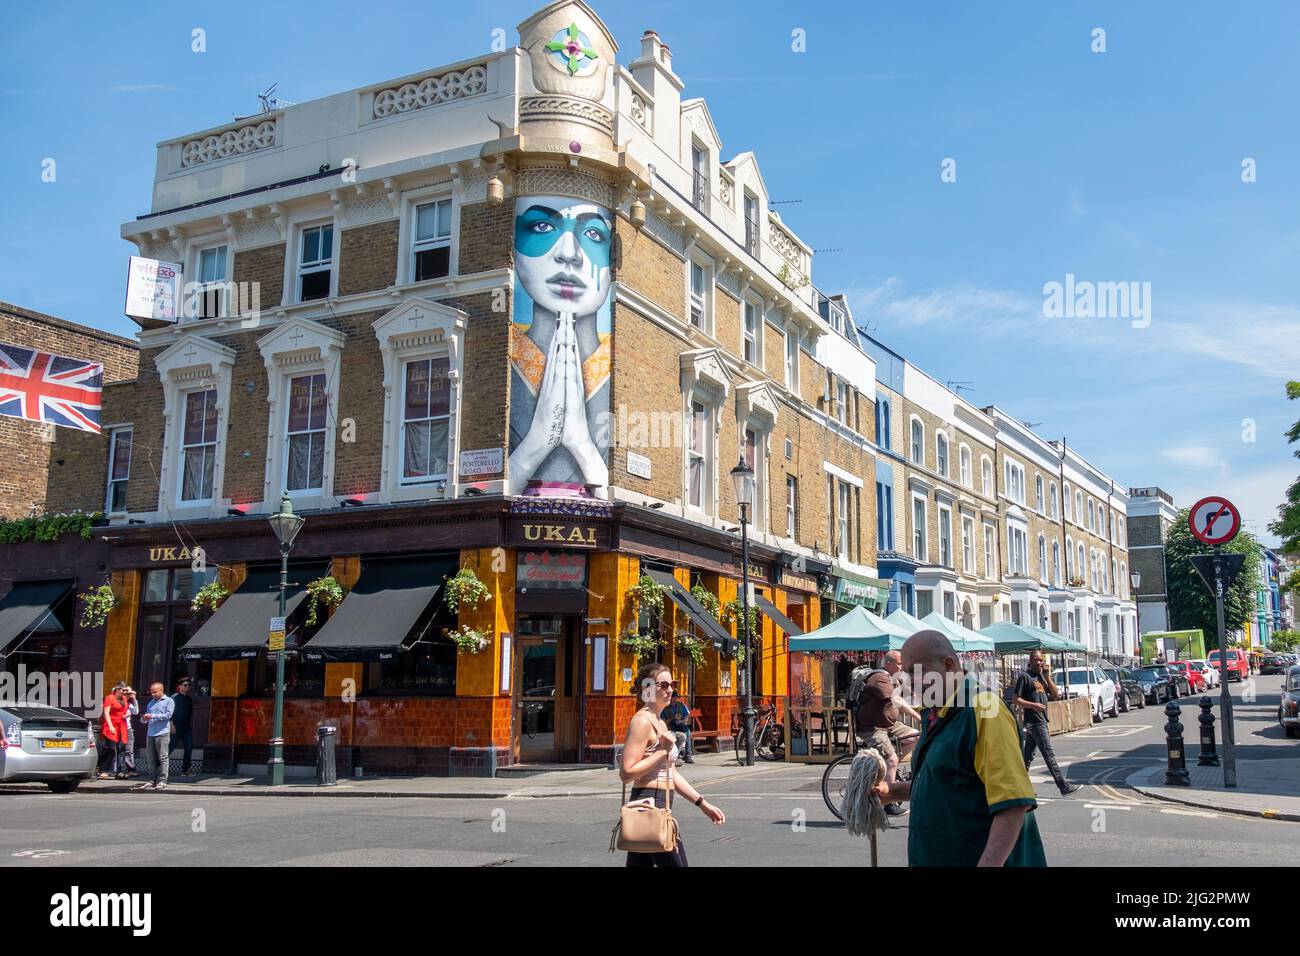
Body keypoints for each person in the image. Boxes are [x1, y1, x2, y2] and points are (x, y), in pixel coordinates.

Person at [876, 630, 1047, 867]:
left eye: (916, 671)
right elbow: (949, 784)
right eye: (905, 672)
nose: (908, 681)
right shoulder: (936, 713)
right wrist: (894, 791)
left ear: (947, 665)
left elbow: (1014, 804)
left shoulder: (985, 710)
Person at [620, 662, 725, 866]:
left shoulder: (659, 722)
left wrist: (702, 804)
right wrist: (661, 752)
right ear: (647, 688)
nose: (670, 690)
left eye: (672, 684)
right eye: (664, 685)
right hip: (649, 806)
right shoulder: (641, 721)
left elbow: (672, 774)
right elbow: (626, 772)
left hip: (660, 805)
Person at [854, 652, 914, 816]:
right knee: (892, 759)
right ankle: (889, 801)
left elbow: (909, 693)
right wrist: (919, 716)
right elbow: (897, 701)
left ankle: (887, 768)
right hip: (873, 728)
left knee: (916, 735)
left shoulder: (892, 677)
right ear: (888, 663)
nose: (902, 667)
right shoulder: (879, 678)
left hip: (889, 725)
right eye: (900, 663)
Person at [1014, 651, 1081, 796]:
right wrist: (1033, 706)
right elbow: (1016, 699)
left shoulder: (1042, 677)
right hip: (1035, 722)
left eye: (1041, 660)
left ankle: (1022, 789)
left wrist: (1047, 676)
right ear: (1030, 661)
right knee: (1049, 755)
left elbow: (1055, 694)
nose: (1039, 662)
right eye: (1036, 660)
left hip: (1040, 721)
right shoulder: (1024, 677)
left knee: (1027, 758)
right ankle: (1063, 786)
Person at [137, 682, 175, 791]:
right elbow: (147, 717)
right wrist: (143, 719)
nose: (152, 694)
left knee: (162, 757)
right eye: (151, 692)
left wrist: (153, 715)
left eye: (155, 692)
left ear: (161, 691)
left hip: (162, 733)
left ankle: (163, 780)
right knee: (151, 758)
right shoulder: (151, 703)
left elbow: (168, 715)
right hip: (150, 733)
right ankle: (151, 779)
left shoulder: (169, 701)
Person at [96, 683, 129, 780]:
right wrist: (110, 726)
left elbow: (126, 709)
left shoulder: (124, 699)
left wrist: (127, 714)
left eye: (125, 690)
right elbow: (106, 713)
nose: (125, 692)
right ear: (117, 689)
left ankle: (119, 771)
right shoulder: (110, 698)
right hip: (111, 725)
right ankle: (100, 767)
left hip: (121, 725)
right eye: (123, 690)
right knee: (110, 748)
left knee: (120, 748)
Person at [660, 684, 693, 765]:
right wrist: (672, 718)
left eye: (675, 698)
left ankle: (688, 754)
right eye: (672, 698)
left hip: (680, 726)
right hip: (670, 728)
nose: (674, 700)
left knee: (686, 729)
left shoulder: (680, 705)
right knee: (682, 734)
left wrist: (683, 720)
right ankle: (677, 756)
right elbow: (663, 723)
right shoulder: (665, 707)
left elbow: (687, 717)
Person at [170, 677, 195, 775]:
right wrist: (171, 724)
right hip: (176, 727)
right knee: (169, 748)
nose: (187, 687)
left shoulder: (189, 698)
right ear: (179, 686)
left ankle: (186, 769)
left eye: (189, 685)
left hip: (186, 728)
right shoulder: (174, 697)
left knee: (189, 747)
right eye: (185, 685)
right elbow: (169, 712)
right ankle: (156, 766)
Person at [121, 686, 140, 776]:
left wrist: (134, 699)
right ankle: (115, 769)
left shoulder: (130, 703)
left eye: (129, 692)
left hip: (128, 729)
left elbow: (136, 712)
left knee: (129, 750)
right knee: (115, 750)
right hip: (118, 728)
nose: (127, 693)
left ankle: (131, 769)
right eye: (125, 691)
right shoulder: (117, 700)